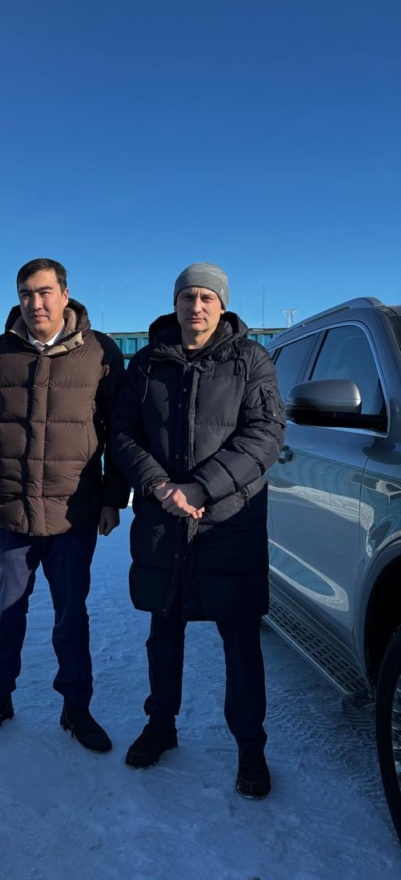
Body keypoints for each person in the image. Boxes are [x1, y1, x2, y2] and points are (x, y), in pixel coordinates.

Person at [112, 263, 285, 798]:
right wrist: (159, 484)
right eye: (188, 296)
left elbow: (265, 434)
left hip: (228, 522)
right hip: (165, 517)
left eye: (208, 297)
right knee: (164, 632)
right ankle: (160, 725)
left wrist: (202, 487)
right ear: (175, 303)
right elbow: (122, 431)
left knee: (240, 641)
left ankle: (250, 747)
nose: (197, 306)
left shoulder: (250, 360)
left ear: (222, 305)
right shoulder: (147, 363)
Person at [0, 258, 129, 752]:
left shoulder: (100, 351)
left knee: (70, 615)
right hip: (10, 509)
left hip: (72, 512)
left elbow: (117, 431)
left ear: (65, 294)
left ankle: (76, 707)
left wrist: (113, 498)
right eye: (26, 294)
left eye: (44, 292)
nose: (35, 303)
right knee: (7, 611)